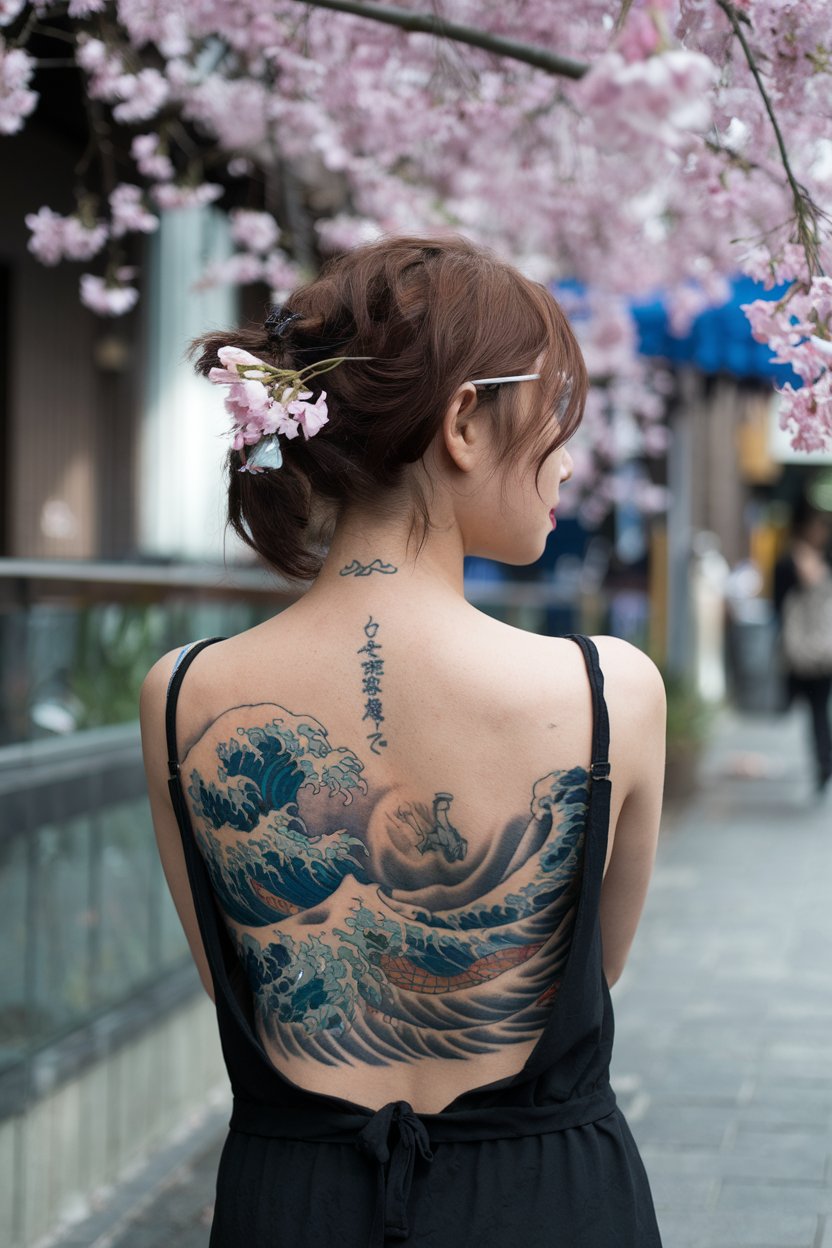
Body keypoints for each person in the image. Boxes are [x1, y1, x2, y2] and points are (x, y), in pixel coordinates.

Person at [139, 236, 666, 1247]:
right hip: (545, 1203)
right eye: (555, 416)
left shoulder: (182, 696)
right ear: (465, 420)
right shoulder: (608, 692)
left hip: (289, 1206)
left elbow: (239, 982)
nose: (567, 458)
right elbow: (588, 972)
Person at [773, 498, 832, 795]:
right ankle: (824, 760)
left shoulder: (818, 558)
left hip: (819, 650)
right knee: (817, 710)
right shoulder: (788, 562)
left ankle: (824, 760)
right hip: (807, 651)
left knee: (818, 710)